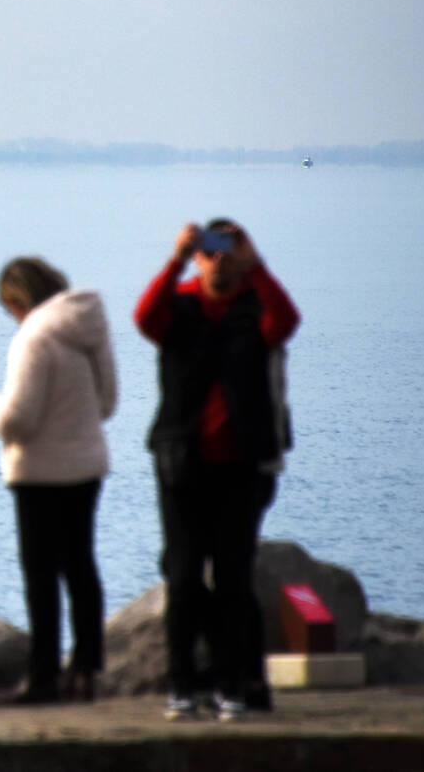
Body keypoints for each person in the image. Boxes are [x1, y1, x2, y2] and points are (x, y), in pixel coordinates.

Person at [135, 218, 299, 722]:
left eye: (229, 250)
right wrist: (175, 260)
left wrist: (258, 266)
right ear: (198, 257)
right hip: (180, 464)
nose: (219, 259)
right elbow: (145, 319)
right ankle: (182, 686)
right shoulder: (181, 305)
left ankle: (232, 687)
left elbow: (285, 322)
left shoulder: (254, 306)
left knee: (232, 580)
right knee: (183, 577)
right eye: (210, 250)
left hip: (242, 467)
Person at [0, 256, 117, 705]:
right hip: (87, 466)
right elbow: (108, 403)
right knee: (81, 567)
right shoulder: (90, 328)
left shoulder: (33, 337)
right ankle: (87, 671)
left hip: (39, 473)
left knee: (41, 574)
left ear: (19, 301)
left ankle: (43, 677)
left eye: (9, 308)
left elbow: (17, 420)